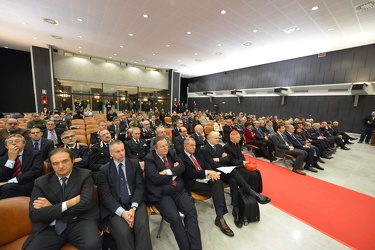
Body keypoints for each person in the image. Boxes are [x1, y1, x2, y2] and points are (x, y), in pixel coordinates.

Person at [22, 148, 102, 249]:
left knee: (93, 245)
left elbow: (86, 204)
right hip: (51, 225)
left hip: (80, 221)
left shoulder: (85, 175)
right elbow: (34, 215)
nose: (60, 166)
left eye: (65, 161)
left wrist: (52, 209)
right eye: (55, 163)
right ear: (51, 165)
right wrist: (67, 204)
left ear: (73, 160)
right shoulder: (41, 182)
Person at [144, 137, 202, 250]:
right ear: (155, 148)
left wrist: (166, 172)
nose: (166, 148)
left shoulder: (171, 152)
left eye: (166, 145)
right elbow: (155, 179)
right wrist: (174, 173)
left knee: (191, 212)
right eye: (162, 146)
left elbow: (182, 167)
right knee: (175, 218)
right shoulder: (149, 159)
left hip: (179, 190)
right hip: (162, 194)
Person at [97, 140, 152, 250]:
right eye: (117, 151)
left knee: (142, 227)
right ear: (111, 154)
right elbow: (106, 196)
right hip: (115, 205)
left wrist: (133, 208)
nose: (121, 153)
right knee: (123, 232)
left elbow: (140, 186)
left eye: (123, 150)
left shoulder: (134, 164)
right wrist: (123, 213)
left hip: (135, 201)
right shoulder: (104, 170)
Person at [179, 138, 234, 237]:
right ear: (185, 146)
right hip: (193, 183)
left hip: (205, 179)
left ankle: (220, 217)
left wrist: (210, 172)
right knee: (218, 187)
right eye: (191, 145)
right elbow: (190, 173)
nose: (194, 147)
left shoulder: (197, 153)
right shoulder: (180, 157)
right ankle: (220, 219)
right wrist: (207, 172)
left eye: (195, 145)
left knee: (217, 181)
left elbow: (206, 164)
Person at [0, 134, 43, 199]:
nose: (14, 143)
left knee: (7, 188)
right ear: (6, 146)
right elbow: (3, 177)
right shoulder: (2, 159)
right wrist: (11, 159)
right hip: (7, 185)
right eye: (10, 142)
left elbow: (36, 171)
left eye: (17, 141)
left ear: (24, 144)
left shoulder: (35, 154)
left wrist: (12, 181)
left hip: (29, 182)